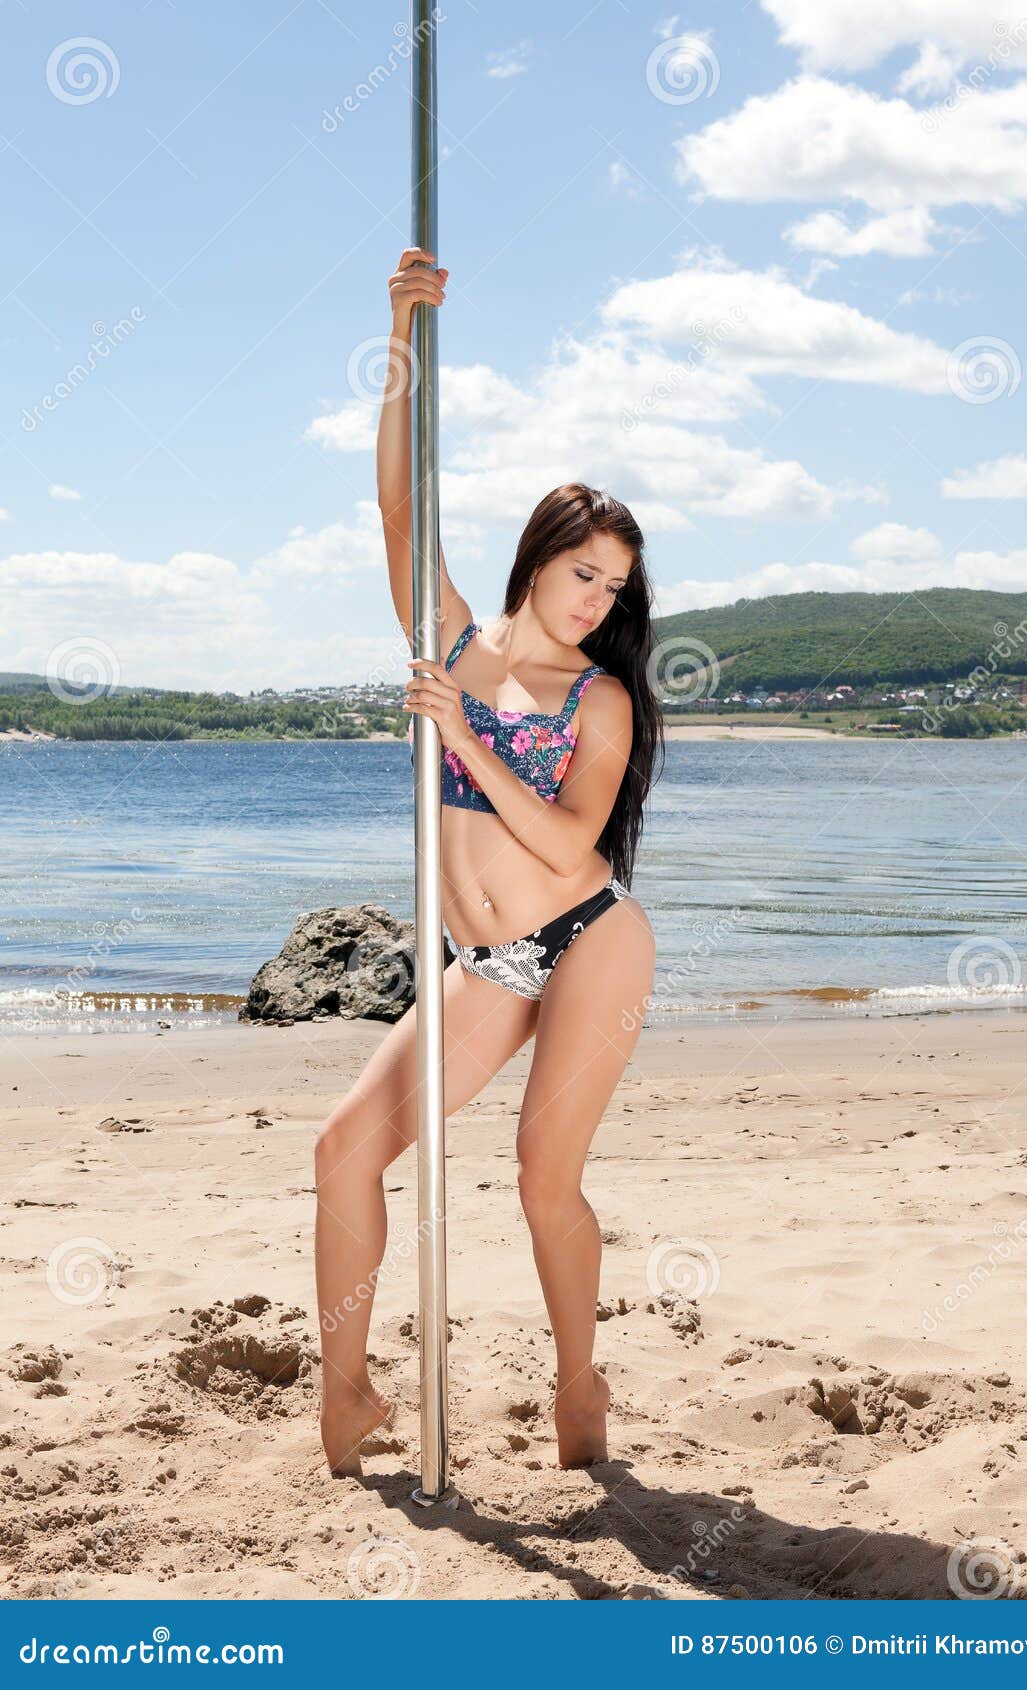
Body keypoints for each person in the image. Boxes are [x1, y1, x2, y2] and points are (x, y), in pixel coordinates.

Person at [314, 246, 664, 1478]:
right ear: (538, 555)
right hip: (486, 960)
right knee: (344, 1148)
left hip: (589, 941)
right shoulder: (458, 645)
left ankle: (580, 1376)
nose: (591, 598)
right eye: (581, 572)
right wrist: (400, 328)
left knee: (537, 1175)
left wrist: (461, 732)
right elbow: (400, 509)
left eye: (612, 584)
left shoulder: (602, 697)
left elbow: (569, 839)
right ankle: (347, 1390)